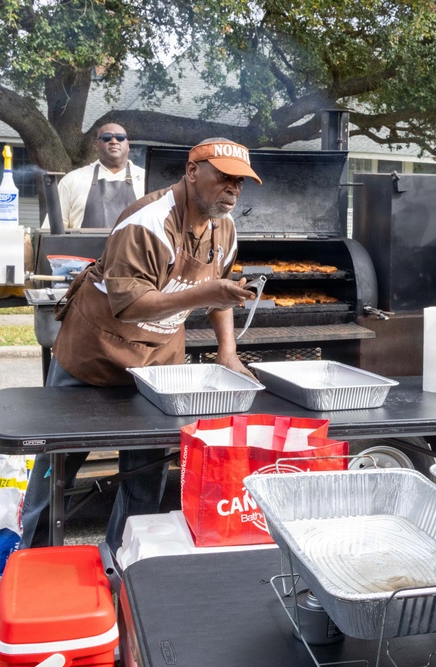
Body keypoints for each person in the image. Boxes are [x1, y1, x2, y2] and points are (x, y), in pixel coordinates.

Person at [21, 137, 262, 551]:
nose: (233, 190)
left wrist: (228, 352)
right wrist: (205, 294)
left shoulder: (224, 227)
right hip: (96, 356)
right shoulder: (147, 223)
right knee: (58, 465)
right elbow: (130, 305)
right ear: (192, 172)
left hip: (158, 363)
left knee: (146, 468)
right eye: (224, 177)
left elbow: (219, 296)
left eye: (240, 182)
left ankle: (127, 562)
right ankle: (33, 557)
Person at [45, 123, 146, 230]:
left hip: (133, 247)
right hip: (82, 247)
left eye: (120, 138)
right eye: (107, 137)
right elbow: (53, 230)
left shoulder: (146, 179)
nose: (114, 141)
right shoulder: (72, 180)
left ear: (128, 145)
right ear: (97, 144)